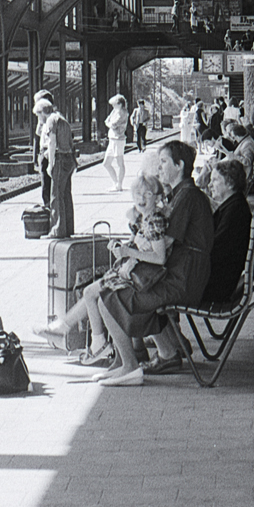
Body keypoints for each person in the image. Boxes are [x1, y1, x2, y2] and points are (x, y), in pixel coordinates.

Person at [94, 140, 213, 387]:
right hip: (185, 273)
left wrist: (129, 250)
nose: (159, 168)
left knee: (109, 296)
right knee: (116, 290)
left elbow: (161, 245)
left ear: (179, 166)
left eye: (164, 162)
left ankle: (129, 366)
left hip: (183, 279)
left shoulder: (186, 197)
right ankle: (125, 363)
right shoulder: (183, 194)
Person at [36, 173, 173, 365]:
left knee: (92, 292)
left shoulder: (154, 221)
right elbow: (143, 246)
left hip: (142, 278)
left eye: (147, 194)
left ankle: (91, 339)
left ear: (157, 197)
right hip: (135, 273)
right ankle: (80, 334)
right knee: (90, 292)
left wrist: (128, 251)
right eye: (137, 194)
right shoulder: (146, 219)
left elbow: (159, 258)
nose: (141, 199)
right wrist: (123, 247)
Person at [142, 158, 254, 375]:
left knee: (153, 285)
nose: (210, 185)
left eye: (215, 181)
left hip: (215, 286)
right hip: (222, 280)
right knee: (164, 275)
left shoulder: (234, 211)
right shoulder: (235, 206)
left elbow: (211, 248)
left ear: (229, 183)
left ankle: (168, 351)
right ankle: (174, 342)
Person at [35, 99, 76, 238]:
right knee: (66, 195)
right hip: (69, 159)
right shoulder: (62, 118)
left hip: (59, 158)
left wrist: (51, 164)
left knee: (55, 196)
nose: (38, 118)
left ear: (42, 112)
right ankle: (68, 228)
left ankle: (57, 230)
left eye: (38, 114)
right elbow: (71, 141)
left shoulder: (51, 121)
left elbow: (52, 142)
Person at [103, 94, 129, 191]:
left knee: (119, 163)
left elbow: (113, 124)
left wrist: (109, 124)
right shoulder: (115, 111)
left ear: (120, 104)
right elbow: (107, 121)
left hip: (119, 139)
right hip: (112, 139)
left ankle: (119, 185)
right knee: (106, 163)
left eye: (114, 104)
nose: (113, 106)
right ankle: (116, 183)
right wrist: (109, 123)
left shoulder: (122, 113)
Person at [32, 90, 54, 204]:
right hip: (45, 153)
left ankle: (48, 207)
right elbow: (37, 137)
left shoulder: (50, 119)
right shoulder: (44, 118)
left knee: (47, 184)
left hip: (48, 154)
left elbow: (38, 137)